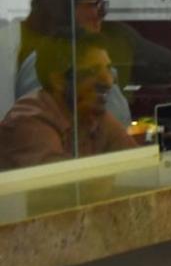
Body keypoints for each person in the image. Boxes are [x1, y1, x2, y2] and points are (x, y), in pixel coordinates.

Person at [0, 33, 135, 170]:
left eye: (108, 69)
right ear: (58, 80)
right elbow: (61, 186)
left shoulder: (92, 115)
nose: (108, 81)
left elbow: (137, 166)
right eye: (93, 71)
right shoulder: (29, 122)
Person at [16, 0, 132, 126]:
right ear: (67, 8)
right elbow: (39, 126)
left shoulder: (92, 53)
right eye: (96, 4)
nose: (102, 14)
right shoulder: (49, 60)